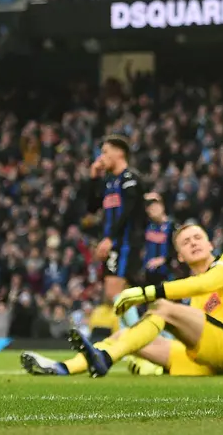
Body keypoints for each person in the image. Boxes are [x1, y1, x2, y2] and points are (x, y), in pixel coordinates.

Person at [19, 222, 223, 377]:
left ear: (210, 243)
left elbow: (204, 283)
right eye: (186, 242)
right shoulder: (196, 300)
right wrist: (155, 367)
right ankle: (64, 367)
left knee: (162, 307)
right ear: (180, 256)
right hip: (213, 356)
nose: (193, 243)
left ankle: (105, 359)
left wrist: (146, 292)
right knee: (125, 336)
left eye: (198, 238)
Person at [81, 135, 148, 338]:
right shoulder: (109, 182)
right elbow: (92, 207)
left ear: (120, 152)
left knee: (116, 293)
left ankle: (139, 339)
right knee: (121, 294)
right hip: (115, 244)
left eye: (105, 151)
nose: (102, 157)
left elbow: (128, 212)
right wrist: (94, 177)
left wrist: (110, 238)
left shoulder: (130, 179)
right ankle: (136, 338)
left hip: (127, 243)